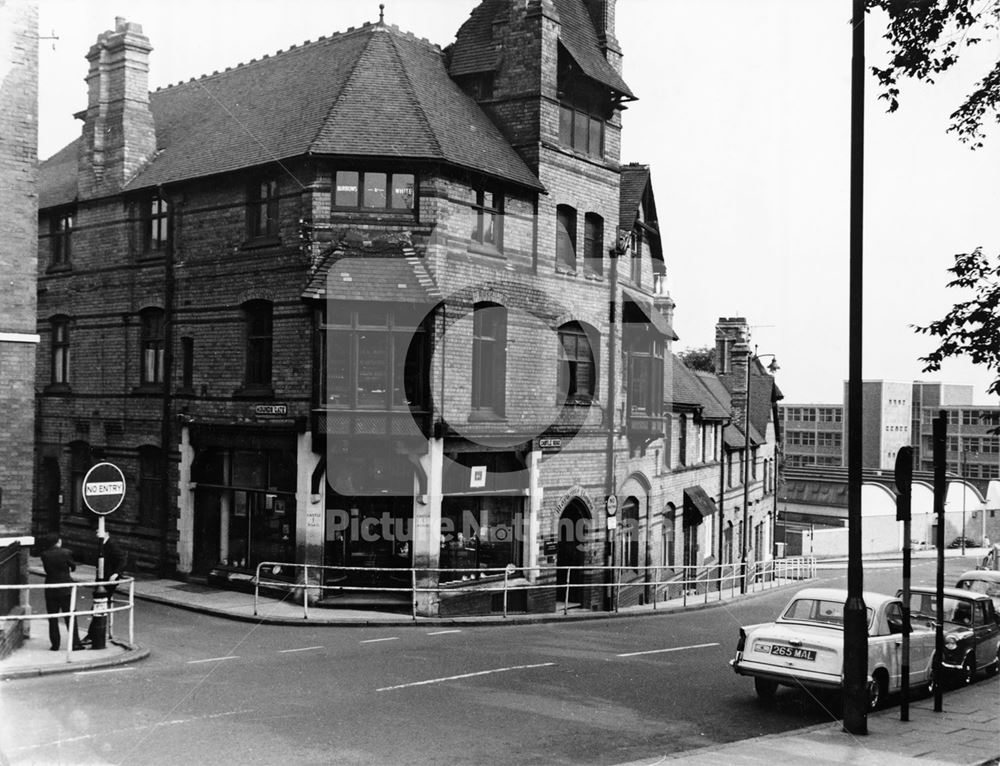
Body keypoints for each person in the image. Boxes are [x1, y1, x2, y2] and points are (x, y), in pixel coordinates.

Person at [40, 535, 84, 651]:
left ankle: (55, 645)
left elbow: (47, 570)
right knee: (70, 616)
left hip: (51, 588)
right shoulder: (66, 552)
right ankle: (75, 643)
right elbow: (73, 566)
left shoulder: (44, 554)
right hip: (65, 588)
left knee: (53, 618)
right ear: (58, 541)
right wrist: (69, 568)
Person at [83, 529, 126, 646]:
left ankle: (92, 636)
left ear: (106, 533)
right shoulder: (102, 544)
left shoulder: (111, 545)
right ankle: (94, 635)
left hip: (108, 580)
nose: (96, 534)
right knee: (98, 606)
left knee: (97, 607)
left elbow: (122, 559)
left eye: (98, 532)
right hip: (102, 580)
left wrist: (116, 573)